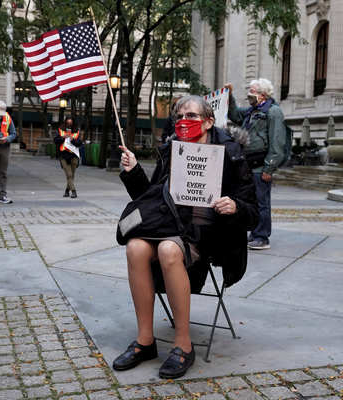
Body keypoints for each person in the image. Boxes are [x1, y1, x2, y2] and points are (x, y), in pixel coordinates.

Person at [114, 95, 258, 379]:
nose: (183, 121)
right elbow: (150, 200)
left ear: (209, 121)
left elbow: (255, 212)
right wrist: (133, 172)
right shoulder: (172, 150)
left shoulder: (230, 153)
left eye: (191, 116)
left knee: (169, 250)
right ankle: (145, 341)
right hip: (167, 224)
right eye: (178, 116)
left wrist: (235, 206)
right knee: (135, 247)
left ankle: (183, 344)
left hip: (209, 234)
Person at [225, 78, 288, 250]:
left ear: (263, 94)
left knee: (261, 202)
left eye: (252, 91)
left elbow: (277, 142)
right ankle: (253, 232)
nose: (249, 94)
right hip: (248, 165)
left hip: (261, 166)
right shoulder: (252, 111)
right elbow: (235, 115)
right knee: (249, 200)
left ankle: (261, 236)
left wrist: (270, 167)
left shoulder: (273, 112)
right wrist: (229, 97)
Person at [53, 117, 83, 198]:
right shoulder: (60, 130)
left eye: (71, 123)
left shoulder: (77, 132)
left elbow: (80, 143)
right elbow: (55, 140)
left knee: (72, 175)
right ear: (65, 123)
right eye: (68, 123)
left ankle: (67, 191)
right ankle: (74, 191)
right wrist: (63, 137)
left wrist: (72, 139)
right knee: (69, 175)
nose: (69, 125)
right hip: (63, 155)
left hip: (74, 155)